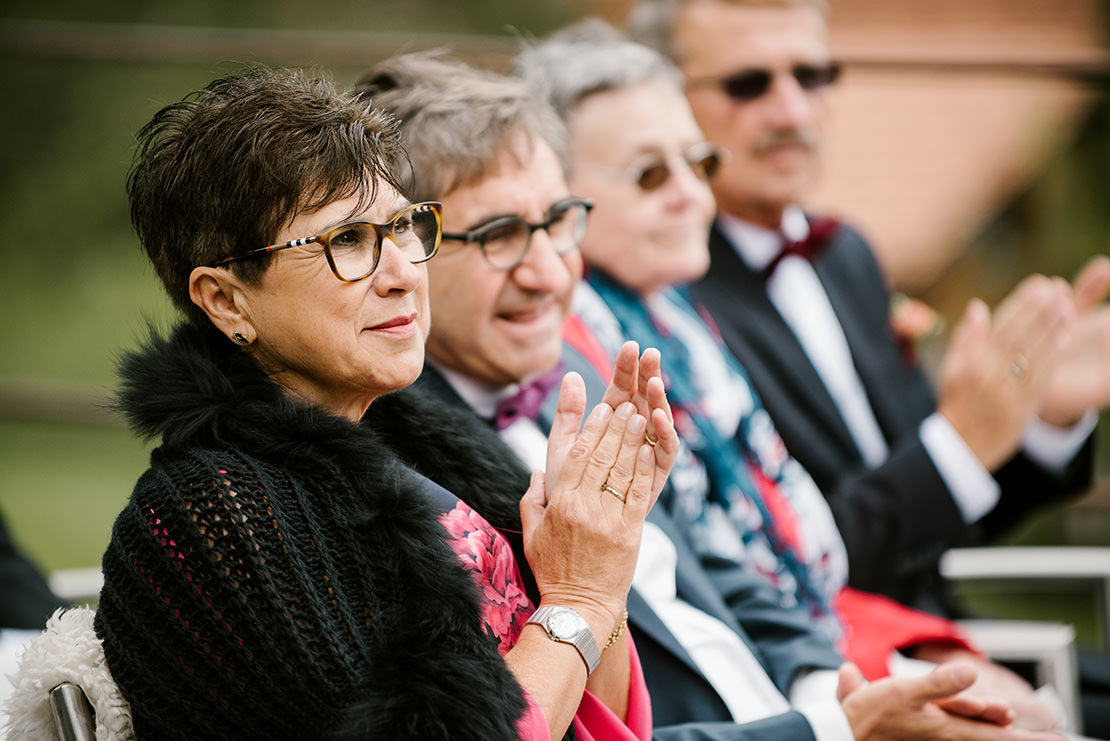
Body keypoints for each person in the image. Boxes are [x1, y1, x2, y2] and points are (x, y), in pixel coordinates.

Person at [357, 48, 1067, 741]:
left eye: (556, 221)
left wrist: (830, 687)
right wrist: (836, 724)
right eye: (501, 235)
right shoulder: (411, 484)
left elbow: (723, 567)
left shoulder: (571, 379)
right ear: (406, 248)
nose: (548, 272)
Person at [90, 65, 679, 740]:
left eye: (402, 226)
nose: (402, 273)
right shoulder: (212, 515)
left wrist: (602, 564)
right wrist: (576, 598)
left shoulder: (423, 446)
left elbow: (596, 720)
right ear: (226, 300)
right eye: (345, 241)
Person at [624, 0, 1110, 734]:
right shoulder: (669, 299)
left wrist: (1043, 418)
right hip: (836, 673)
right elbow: (784, 555)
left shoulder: (847, 253)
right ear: (667, 103)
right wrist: (963, 441)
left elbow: (944, 509)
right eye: (749, 83)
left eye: (813, 75)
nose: (791, 109)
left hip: (955, 632)